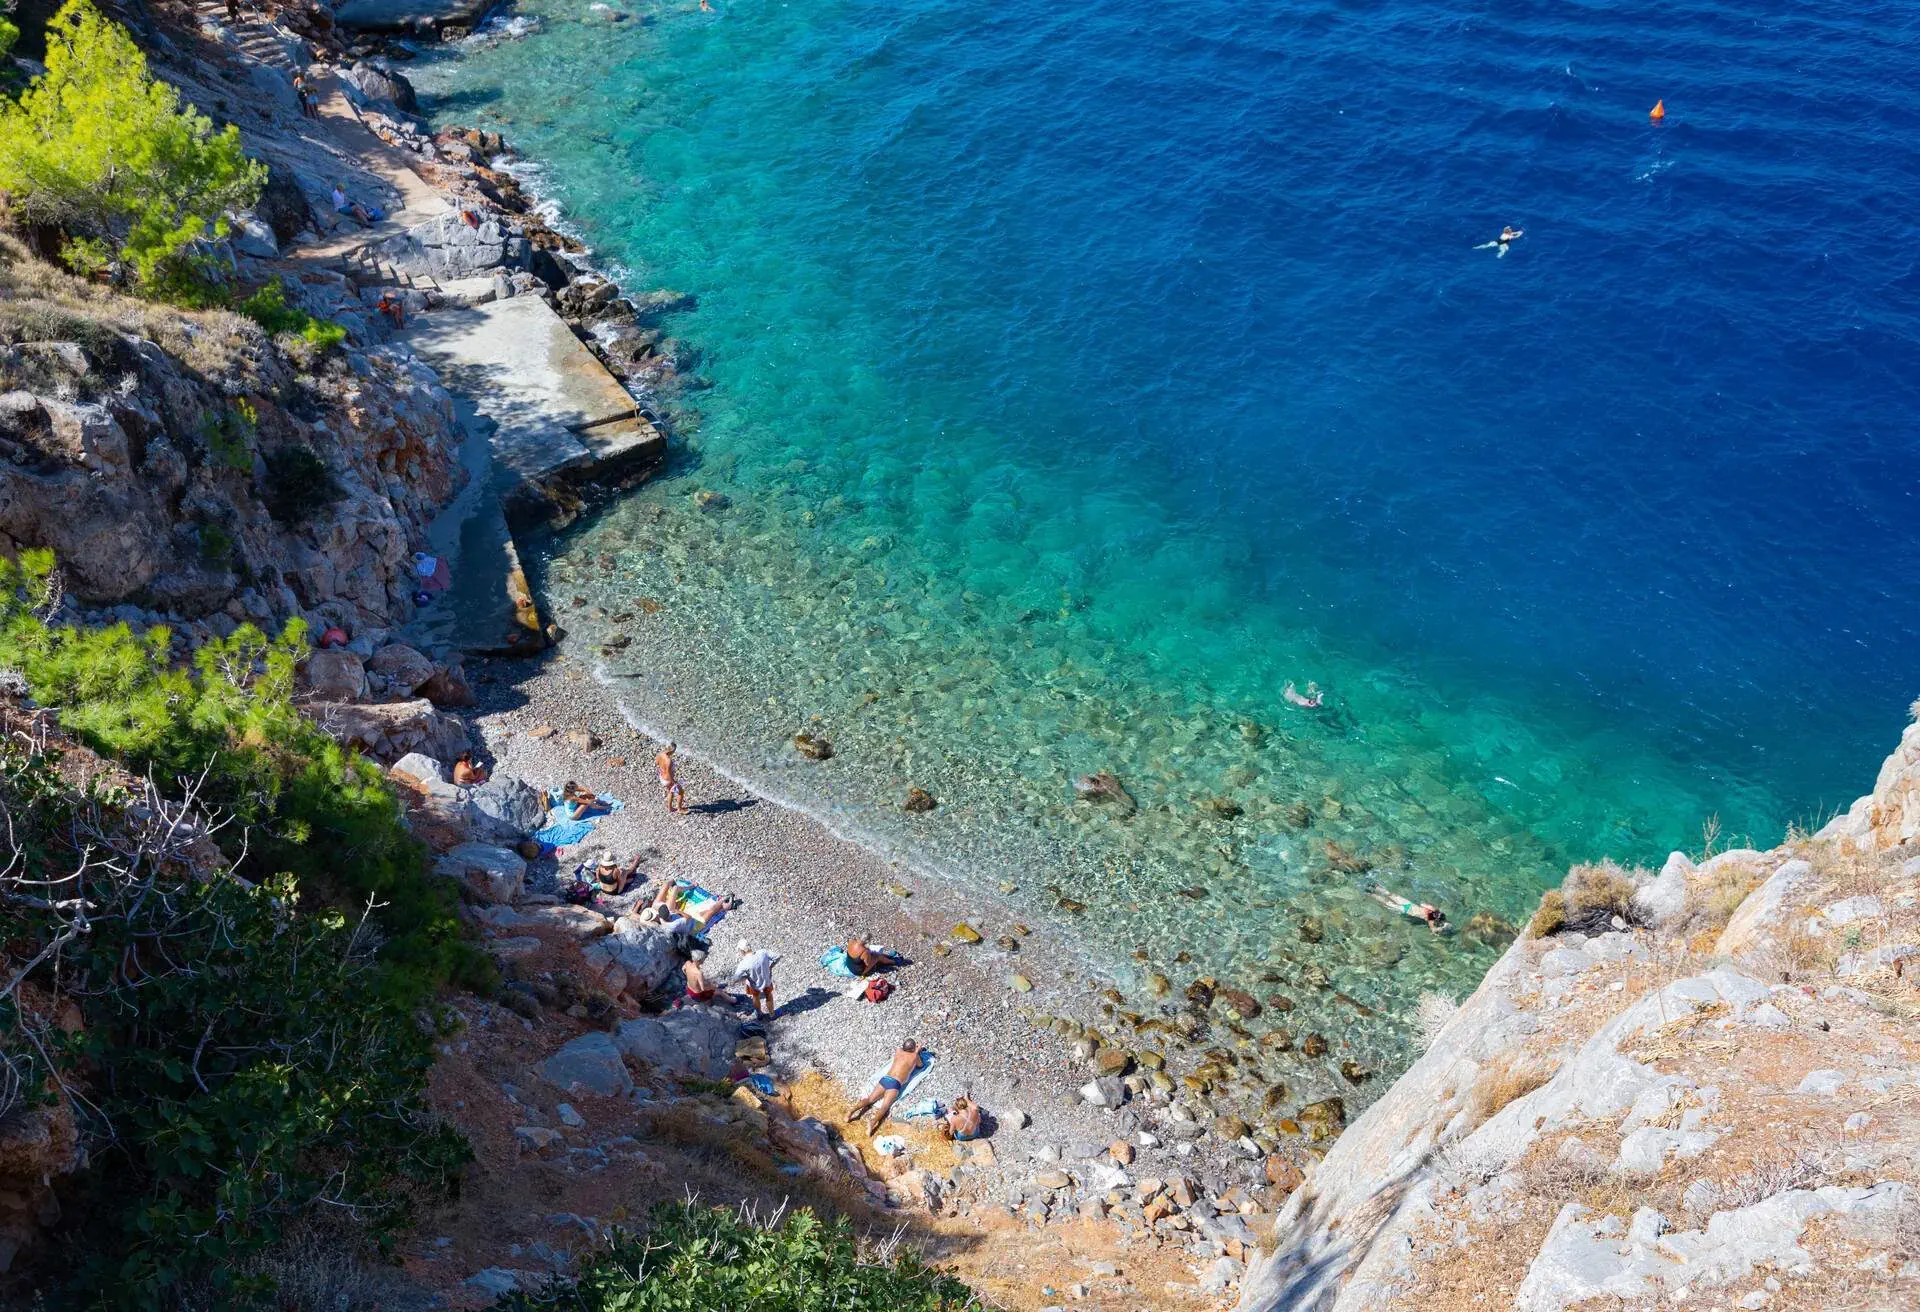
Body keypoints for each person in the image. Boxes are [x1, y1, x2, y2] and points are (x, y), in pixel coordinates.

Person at [847, 1039, 921, 1133]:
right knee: (884, 1107)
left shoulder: (898, 1051)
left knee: (870, 1099)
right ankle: (872, 1123)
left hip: (885, 1079)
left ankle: (851, 1111)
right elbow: (920, 1066)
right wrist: (917, 1051)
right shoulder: (914, 1056)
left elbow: (904, 1051)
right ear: (913, 1048)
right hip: (895, 1083)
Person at [1368, 883, 1447, 934]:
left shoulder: (1433, 909)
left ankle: (1375, 886)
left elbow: (1422, 904)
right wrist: (1439, 929)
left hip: (1409, 904)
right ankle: (1370, 893)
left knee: (1391, 895)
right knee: (1387, 903)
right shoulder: (1431, 919)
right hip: (1406, 910)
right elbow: (1433, 929)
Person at [727, 947, 782, 1018]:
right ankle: (772, 1014)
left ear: (742, 951)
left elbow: (735, 978)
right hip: (766, 981)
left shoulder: (743, 964)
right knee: (768, 996)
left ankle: (759, 1014)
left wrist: (745, 977)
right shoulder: (763, 952)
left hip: (753, 984)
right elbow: (777, 956)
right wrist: (771, 966)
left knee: (755, 997)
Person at [656, 742, 688, 814]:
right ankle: (679, 809)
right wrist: (674, 782)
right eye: (674, 751)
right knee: (681, 792)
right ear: (672, 750)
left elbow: (657, 763)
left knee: (670, 792)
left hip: (662, 777)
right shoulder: (668, 761)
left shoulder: (660, 754)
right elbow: (668, 773)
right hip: (668, 779)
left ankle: (670, 808)